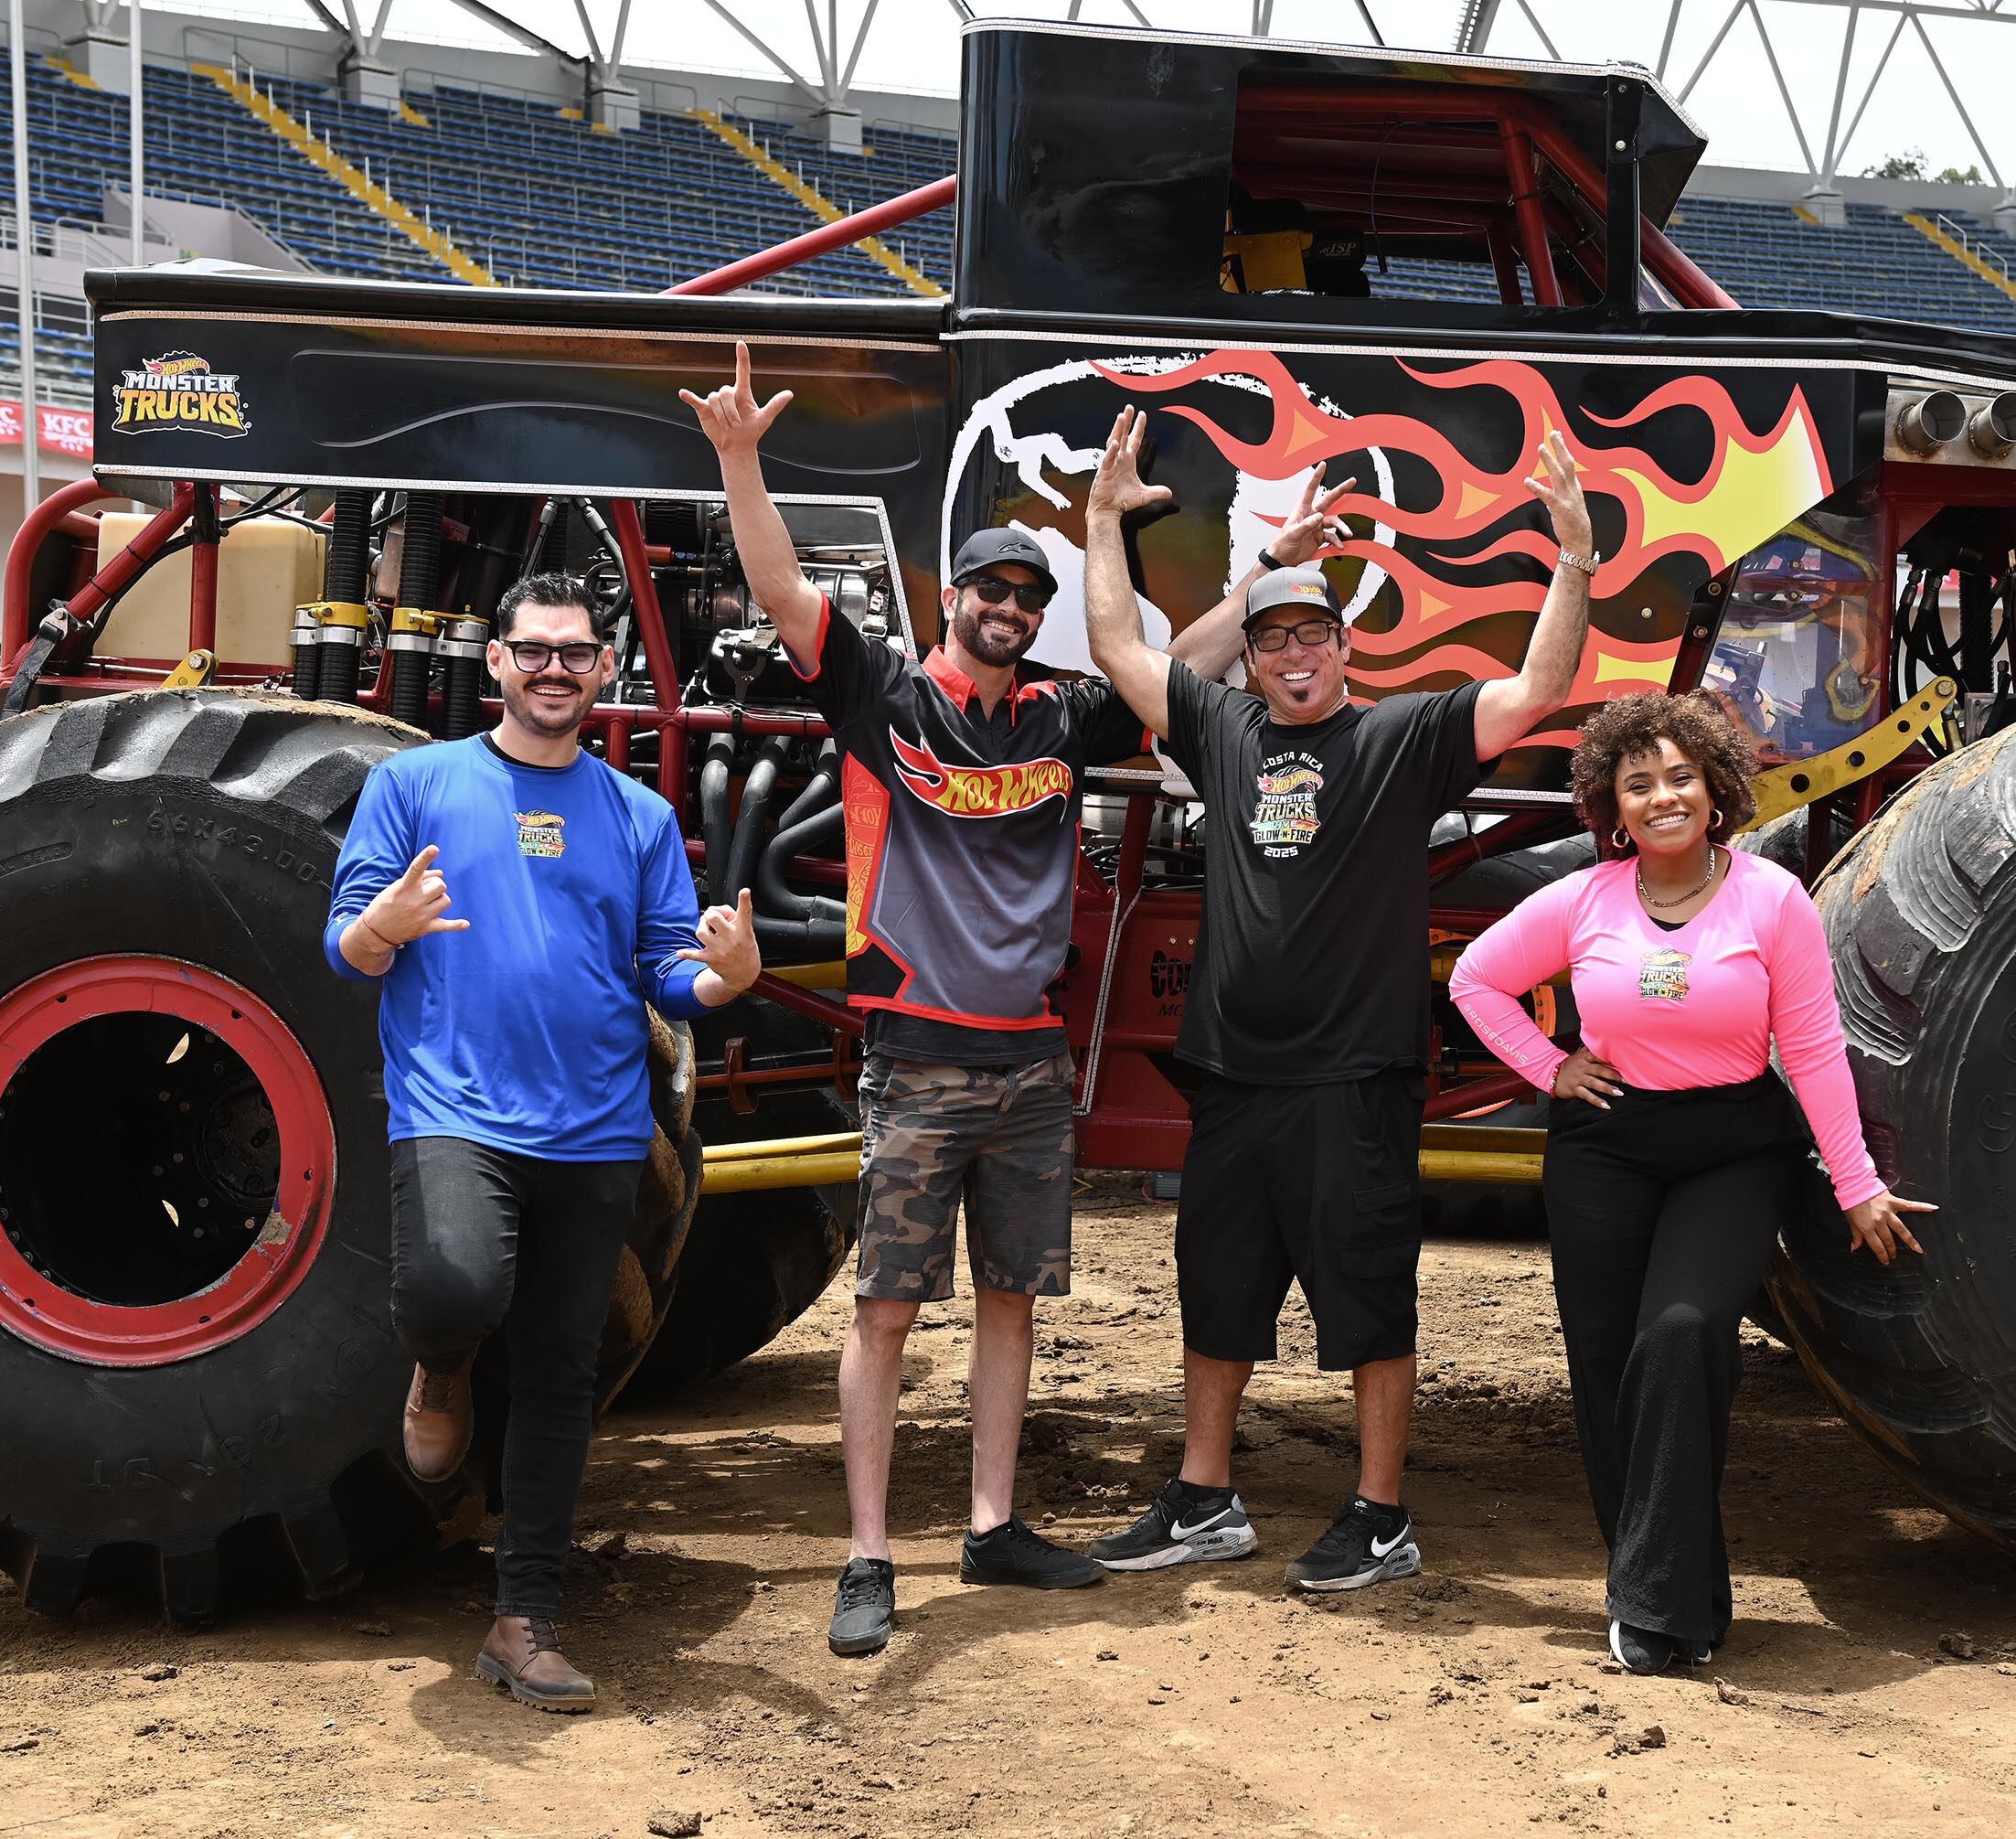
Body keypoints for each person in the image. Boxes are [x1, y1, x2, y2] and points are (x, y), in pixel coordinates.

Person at [681, 347, 1356, 1655]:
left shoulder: (1059, 719)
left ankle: (990, 1525)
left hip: (1029, 1062)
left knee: (1010, 1298)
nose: (1004, 603)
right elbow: (778, 588)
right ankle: (870, 1551)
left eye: (1023, 591)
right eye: (987, 586)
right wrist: (740, 461)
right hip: (920, 1049)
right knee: (884, 1305)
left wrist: (1273, 578)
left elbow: (1193, 659)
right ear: (953, 606)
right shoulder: (885, 696)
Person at [1079, 405, 1595, 1590]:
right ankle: (1204, 1495)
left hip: (1351, 1079)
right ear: (1251, 659)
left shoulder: (1401, 739)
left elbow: (1534, 688)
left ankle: (1378, 1511)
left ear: (1342, 646)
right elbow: (1118, 647)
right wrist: (1102, 522)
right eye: (1274, 642)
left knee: (1365, 1301)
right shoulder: (1222, 731)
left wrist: (1569, 557)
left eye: (1313, 636)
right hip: (1233, 1075)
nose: (1294, 656)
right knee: (1214, 1291)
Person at [325, 571, 765, 1712]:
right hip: (456, 1108)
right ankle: (442, 1367)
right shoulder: (414, 784)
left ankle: (524, 1618)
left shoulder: (639, 816)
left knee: (567, 1372)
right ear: (497, 663)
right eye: (535, 650)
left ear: (603, 669)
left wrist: (725, 974)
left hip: (597, 1126)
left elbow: (665, 968)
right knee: (453, 1287)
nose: (555, 669)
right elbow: (347, 949)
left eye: (576, 652)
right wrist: (385, 923)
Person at [1446, 691, 1934, 1673]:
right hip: (1606, 1148)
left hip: (1732, 1147)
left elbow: (1811, 1046)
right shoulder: (1583, 899)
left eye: (1679, 776)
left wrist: (1854, 1183)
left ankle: (1660, 1599)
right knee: (1604, 1368)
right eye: (1638, 783)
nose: (1661, 795)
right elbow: (1473, 980)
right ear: (1610, 807)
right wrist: (1549, 1068)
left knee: (1681, 1335)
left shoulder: (1771, 898)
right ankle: (1663, 1595)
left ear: (1715, 791)